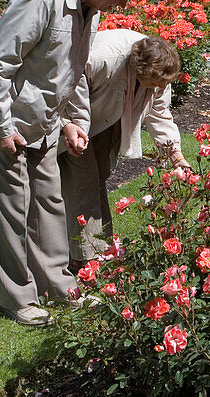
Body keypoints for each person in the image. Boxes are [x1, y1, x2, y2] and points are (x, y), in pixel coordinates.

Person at [0, 0, 146, 327]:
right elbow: (0, 63)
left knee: (49, 204)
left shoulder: (89, 8)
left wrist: (74, 120)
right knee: (12, 209)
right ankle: (19, 299)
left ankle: (58, 287)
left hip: (45, 122)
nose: (121, 6)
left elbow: (74, 70)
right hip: (9, 120)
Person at [60, 30, 188, 266]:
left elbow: (159, 113)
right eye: (157, 83)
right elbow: (64, 88)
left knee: (97, 179)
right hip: (72, 119)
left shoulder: (162, 71)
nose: (161, 87)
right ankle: (86, 260)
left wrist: (175, 154)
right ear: (139, 73)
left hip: (104, 118)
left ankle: (102, 248)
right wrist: (70, 124)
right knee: (83, 182)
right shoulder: (100, 59)